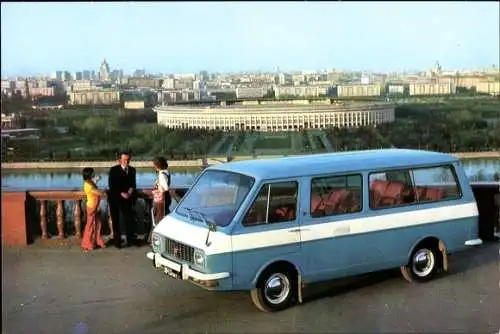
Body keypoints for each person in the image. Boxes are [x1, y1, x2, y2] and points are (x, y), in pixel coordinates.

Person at [108, 151, 138, 248]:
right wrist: (122, 193)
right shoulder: (113, 170)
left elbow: (133, 184)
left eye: (128, 159)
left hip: (128, 198)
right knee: (116, 220)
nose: (127, 161)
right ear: (120, 160)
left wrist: (129, 192)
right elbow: (111, 185)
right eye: (125, 159)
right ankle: (118, 242)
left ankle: (130, 241)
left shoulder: (133, 170)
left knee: (129, 219)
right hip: (115, 198)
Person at [81, 167, 106, 252]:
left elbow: (94, 182)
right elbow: (98, 192)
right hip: (91, 207)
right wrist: (104, 191)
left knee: (98, 224)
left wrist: (97, 179)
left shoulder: (89, 182)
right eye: (92, 173)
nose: (94, 174)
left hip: (95, 206)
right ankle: (86, 244)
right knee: (90, 226)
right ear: (89, 174)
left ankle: (98, 241)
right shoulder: (87, 185)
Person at [149, 157, 171, 243]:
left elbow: (165, 188)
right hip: (165, 198)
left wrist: (158, 187)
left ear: (157, 165)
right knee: (160, 217)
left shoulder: (161, 174)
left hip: (161, 199)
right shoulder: (166, 172)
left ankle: (155, 240)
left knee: (158, 219)